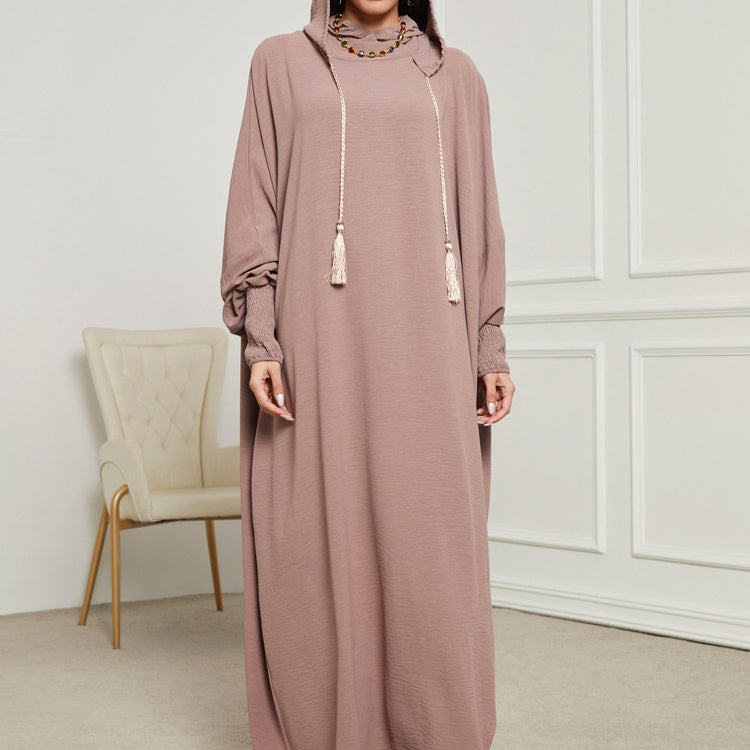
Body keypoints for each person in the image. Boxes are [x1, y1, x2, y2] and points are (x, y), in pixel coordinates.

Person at [220, 1, 516, 748]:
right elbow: (256, 201)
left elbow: (481, 217)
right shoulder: (280, 61)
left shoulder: (456, 75)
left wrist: (489, 344)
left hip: (429, 337)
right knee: (317, 536)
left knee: (430, 543)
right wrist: (262, 340)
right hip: (318, 335)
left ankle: (434, 729)